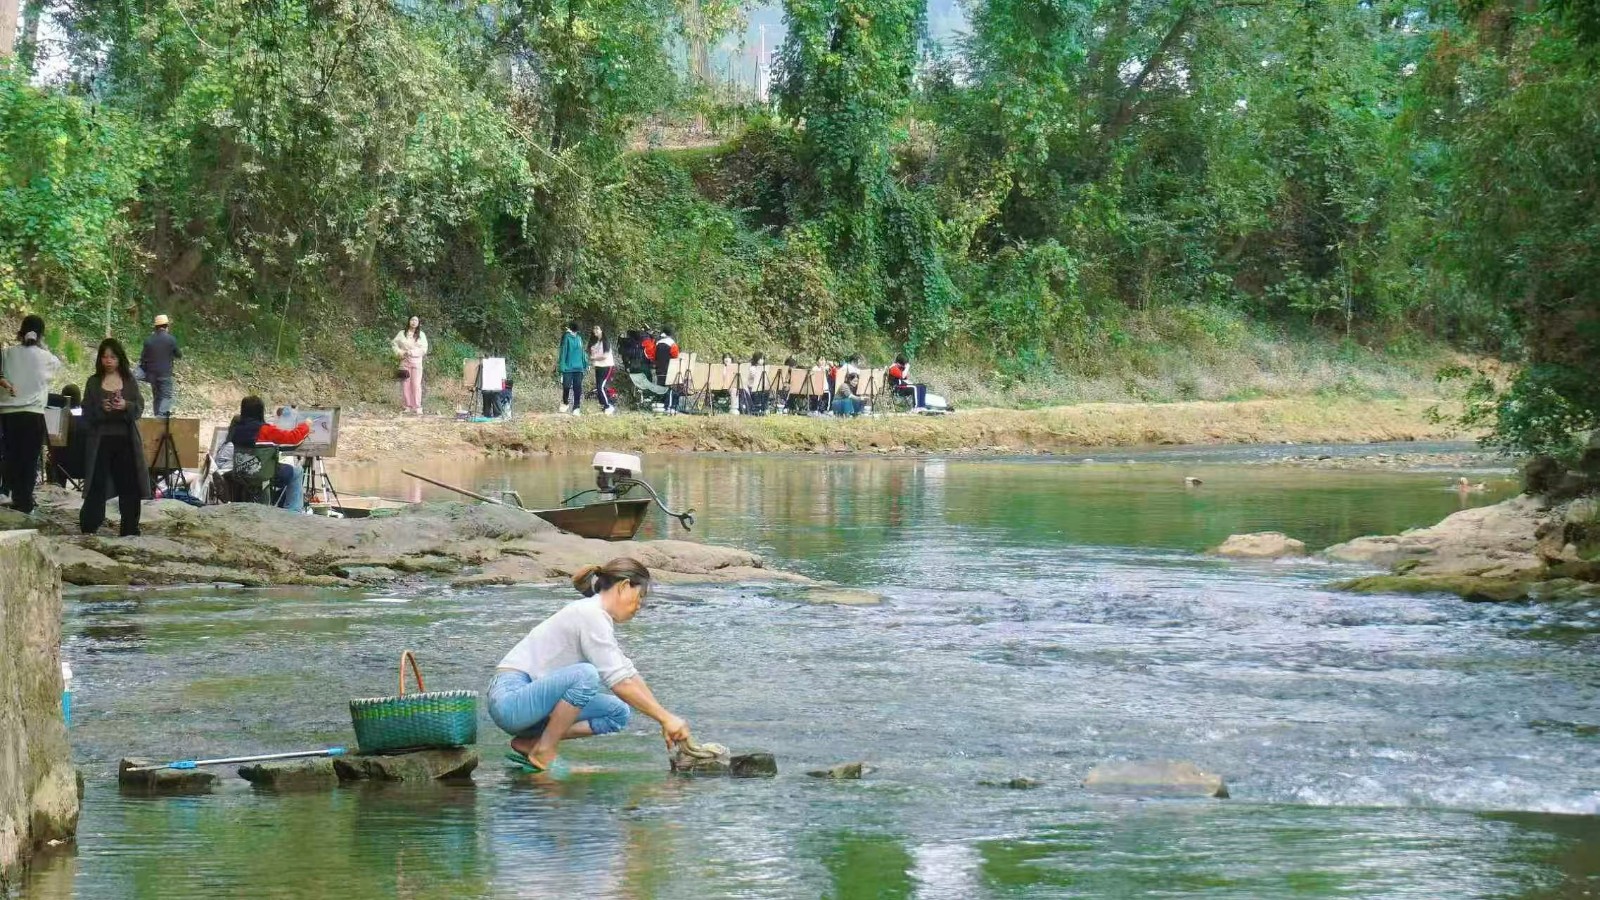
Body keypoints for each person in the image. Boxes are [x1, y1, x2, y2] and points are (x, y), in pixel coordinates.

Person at [488, 558, 693, 774]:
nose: (639, 605)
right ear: (623, 587)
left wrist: (665, 718)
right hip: (510, 698)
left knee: (617, 712)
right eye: (639, 596)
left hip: (531, 704)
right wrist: (666, 719)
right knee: (586, 675)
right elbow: (618, 682)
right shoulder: (589, 613)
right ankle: (545, 750)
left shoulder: (598, 618)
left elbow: (628, 675)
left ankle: (532, 743)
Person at [80, 338, 150, 536]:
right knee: (97, 483)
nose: (108, 361)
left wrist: (125, 406)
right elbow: (86, 411)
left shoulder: (129, 381)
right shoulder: (94, 382)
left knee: (129, 485)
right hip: (100, 440)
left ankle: (129, 527)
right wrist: (101, 408)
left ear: (119, 358)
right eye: (104, 357)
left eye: (112, 357)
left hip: (125, 440)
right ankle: (89, 525)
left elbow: (138, 409)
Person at [0, 315, 64, 514]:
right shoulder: (45, 357)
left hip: (8, 413)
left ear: (20, 332)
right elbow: (55, 365)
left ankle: (8, 492)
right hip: (32, 414)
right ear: (41, 335)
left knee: (10, 456)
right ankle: (24, 500)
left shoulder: (6, 353)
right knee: (29, 458)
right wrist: (41, 346)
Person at [228, 396, 310, 511]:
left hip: (241, 473)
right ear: (261, 411)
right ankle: (294, 511)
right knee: (297, 471)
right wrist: (305, 426)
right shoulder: (265, 430)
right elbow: (293, 440)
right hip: (264, 474)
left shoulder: (236, 429)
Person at [139, 313, 182, 416]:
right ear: (166, 326)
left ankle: (157, 417)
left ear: (155, 327)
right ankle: (161, 417)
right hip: (165, 375)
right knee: (166, 396)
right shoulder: (171, 339)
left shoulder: (148, 340)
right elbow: (179, 355)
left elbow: (143, 358)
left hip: (152, 376)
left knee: (157, 397)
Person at [391, 316, 429, 415]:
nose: (413, 322)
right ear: (409, 321)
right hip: (404, 362)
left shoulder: (421, 335)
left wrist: (411, 352)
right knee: (405, 384)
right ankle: (407, 406)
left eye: (416, 320)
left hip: (416, 362)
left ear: (418, 323)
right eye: (412, 320)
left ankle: (417, 406)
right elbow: (394, 344)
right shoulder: (401, 333)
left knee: (416, 384)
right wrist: (400, 352)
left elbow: (424, 349)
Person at [557, 323, 586, 415]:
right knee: (566, 386)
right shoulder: (566, 337)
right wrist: (562, 366)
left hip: (579, 367)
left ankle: (576, 407)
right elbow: (563, 352)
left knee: (578, 388)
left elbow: (582, 352)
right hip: (568, 367)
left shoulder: (579, 338)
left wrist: (585, 363)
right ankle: (565, 402)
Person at [589, 326, 617, 415]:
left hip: (607, 366)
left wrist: (594, 358)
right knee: (599, 387)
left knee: (601, 387)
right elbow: (591, 354)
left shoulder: (605, 342)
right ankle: (605, 406)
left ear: (601, 330)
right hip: (598, 366)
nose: (595, 330)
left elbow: (605, 356)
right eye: (594, 329)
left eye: (597, 328)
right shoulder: (595, 343)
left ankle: (608, 406)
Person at [653, 329, 681, 412]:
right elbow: (676, 356)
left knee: (660, 388)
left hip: (659, 369)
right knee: (670, 388)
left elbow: (654, 356)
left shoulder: (657, 343)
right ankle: (669, 407)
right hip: (669, 369)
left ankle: (660, 406)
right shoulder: (672, 344)